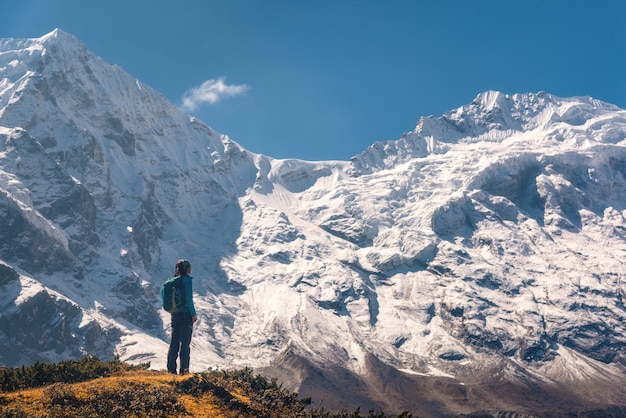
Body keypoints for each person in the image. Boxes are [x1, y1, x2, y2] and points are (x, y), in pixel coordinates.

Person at [167, 259, 197, 374]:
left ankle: (171, 370)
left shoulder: (172, 280)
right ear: (187, 269)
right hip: (185, 316)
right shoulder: (186, 280)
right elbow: (189, 299)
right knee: (185, 344)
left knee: (174, 342)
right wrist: (193, 314)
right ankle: (184, 370)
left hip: (175, 315)